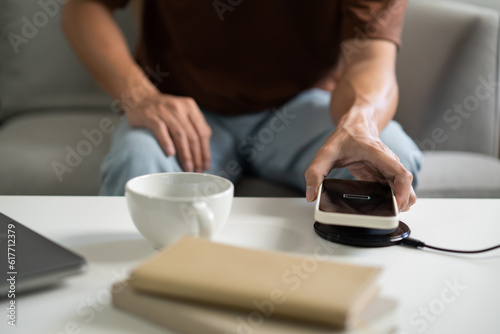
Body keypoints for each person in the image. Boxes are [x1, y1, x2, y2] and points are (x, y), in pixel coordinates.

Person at [62, 0, 422, 211]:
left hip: (300, 108)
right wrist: (140, 96)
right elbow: (82, 8)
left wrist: (359, 123)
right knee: (136, 168)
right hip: (183, 107)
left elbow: (371, 60)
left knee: (391, 161)